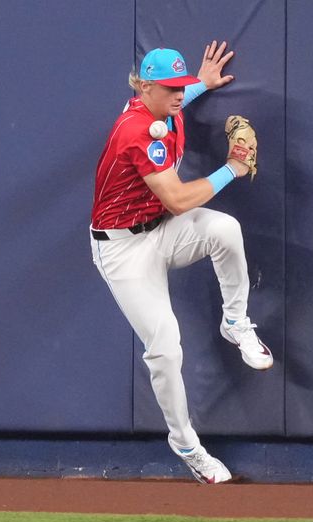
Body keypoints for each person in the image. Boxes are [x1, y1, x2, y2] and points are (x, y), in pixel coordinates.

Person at [89, 41, 273, 484]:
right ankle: (186, 443)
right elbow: (176, 199)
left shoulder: (162, 105)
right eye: (170, 87)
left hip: (159, 232)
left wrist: (202, 83)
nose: (178, 94)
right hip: (122, 250)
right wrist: (233, 167)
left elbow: (176, 99)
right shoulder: (136, 130)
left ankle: (236, 322)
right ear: (145, 87)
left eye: (181, 86)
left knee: (225, 230)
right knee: (166, 347)